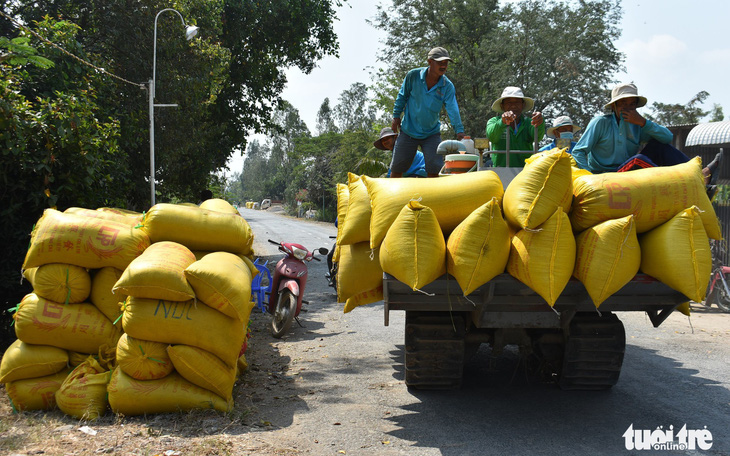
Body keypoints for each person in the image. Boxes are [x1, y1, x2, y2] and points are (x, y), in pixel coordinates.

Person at [572, 83, 723, 185]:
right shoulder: (600, 123)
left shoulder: (637, 124)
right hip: (607, 175)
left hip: (627, 172)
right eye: (623, 103)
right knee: (639, 159)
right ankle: (688, 181)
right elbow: (579, 151)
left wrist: (644, 122)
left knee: (659, 146)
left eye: (632, 104)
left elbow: (667, 138)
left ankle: (698, 173)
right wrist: (590, 177)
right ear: (614, 105)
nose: (628, 108)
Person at [390, 47, 466, 178]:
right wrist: (396, 116)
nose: (443, 66)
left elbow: (452, 108)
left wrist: (459, 131)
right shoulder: (413, 76)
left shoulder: (447, 86)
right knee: (397, 167)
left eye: (446, 63)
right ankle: (391, 196)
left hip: (431, 133)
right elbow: (402, 96)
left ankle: (434, 196)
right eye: (440, 62)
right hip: (408, 130)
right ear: (430, 61)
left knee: (434, 168)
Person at [486, 86, 545, 167]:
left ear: (523, 105)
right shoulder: (494, 121)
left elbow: (537, 137)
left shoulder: (529, 122)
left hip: (525, 172)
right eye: (509, 103)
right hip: (500, 171)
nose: (513, 106)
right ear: (502, 106)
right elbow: (492, 137)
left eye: (517, 102)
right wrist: (503, 122)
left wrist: (539, 122)